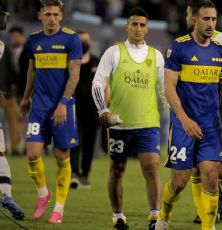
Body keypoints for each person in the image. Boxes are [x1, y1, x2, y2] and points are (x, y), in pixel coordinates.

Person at [155, 1, 222, 230]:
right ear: (194, 20)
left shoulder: (221, 50)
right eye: (206, 19)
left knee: (210, 176)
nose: (211, 24)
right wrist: (184, 119)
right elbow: (169, 87)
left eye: (214, 19)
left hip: (210, 126)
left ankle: (208, 227)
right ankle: (164, 215)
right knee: (179, 182)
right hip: (182, 125)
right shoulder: (178, 48)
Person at [91, 8, 165, 230]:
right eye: (134, 24)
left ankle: (154, 217)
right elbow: (98, 82)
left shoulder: (156, 55)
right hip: (120, 125)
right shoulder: (113, 52)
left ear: (147, 28)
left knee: (152, 167)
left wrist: (176, 115)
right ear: (127, 26)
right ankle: (118, 217)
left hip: (148, 124)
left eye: (142, 25)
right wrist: (102, 109)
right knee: (117, 170)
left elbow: (164, 90)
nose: (138, 29)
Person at [19, 0, 82, 224]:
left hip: (62, 106)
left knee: (61, 156)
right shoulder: (33, 40)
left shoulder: (71, 39)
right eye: (48, 14)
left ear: (61, 16)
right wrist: (26, 97)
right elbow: (32, 71)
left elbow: (75, 75)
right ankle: (43, 194)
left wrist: (64, 102)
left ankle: (59, 208)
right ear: (40, 16)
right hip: (39, 105)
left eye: (56, 14)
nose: (52, 18)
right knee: (33, 154)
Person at [185, 0, 222, 228]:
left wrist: (218, 101)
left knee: (220, 169)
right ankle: (206, 215)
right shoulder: (186, 44)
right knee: (197, 168)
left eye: (210, 17)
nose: (189, 17)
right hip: (198, 116)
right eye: (192, 14)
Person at [0, 6, 25, 221]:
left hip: (7, 95)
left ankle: (7, 196)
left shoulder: (2, 46)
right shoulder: (1, 46)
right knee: (0, 154)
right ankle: (7, 195)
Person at [69, 31, 100, 189]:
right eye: (81, 40)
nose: (84, 43)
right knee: (74, 143)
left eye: (87, 40)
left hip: (93, 111)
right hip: (74, 109)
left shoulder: (96, 61)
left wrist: (103, 107)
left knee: (89, 144)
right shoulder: (71, 61)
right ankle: (74, 173)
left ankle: (85, 174)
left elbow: (104, 85)